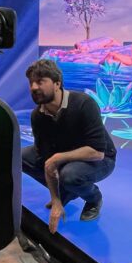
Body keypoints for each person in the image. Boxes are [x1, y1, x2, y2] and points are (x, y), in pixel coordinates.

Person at [23, 58, 116, 233]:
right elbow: (46, 161)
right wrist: (56, 199)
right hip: (66, 153)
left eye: (40, 81)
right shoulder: (38, 116)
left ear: (57, 84)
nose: (33, 87)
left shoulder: (83, 103)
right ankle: (66, 192)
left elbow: (98, 152)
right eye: (31, 82)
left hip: (100, 158)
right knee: (21, 157)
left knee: (70, 176)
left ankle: (94, 198)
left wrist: (58, 158)